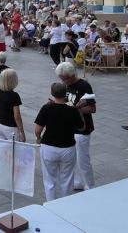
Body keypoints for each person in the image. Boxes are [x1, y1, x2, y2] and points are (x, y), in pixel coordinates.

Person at [35, 82, 85, 201]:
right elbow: (82, 127)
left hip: (49, 147)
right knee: (67, 180)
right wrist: (78, 110)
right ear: (65, 94)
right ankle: (64, 205)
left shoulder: (47, 107)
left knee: (49, 180)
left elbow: (37, 130)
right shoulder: (72, 110)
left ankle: (51, 204)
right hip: (68, 148)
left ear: (52, 93)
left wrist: (39, 138)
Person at [55, 61, 96, 190]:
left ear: (72, 75)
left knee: (83, 159)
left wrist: (74, 109)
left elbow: (92, 108)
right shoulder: (65, 85)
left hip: (82, 128)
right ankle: (78, 181)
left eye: (65, 79)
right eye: (61, 79)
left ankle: (90, 185)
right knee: (72, 159)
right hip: (69, 128)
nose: (63, 82)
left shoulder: (84, 86)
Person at [0, 69, 25, 141]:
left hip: (0, 125)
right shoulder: (14, 96)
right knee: (13, 150)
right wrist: (22, 132)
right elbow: (17, 116)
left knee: (2, 149)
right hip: (11, 128)